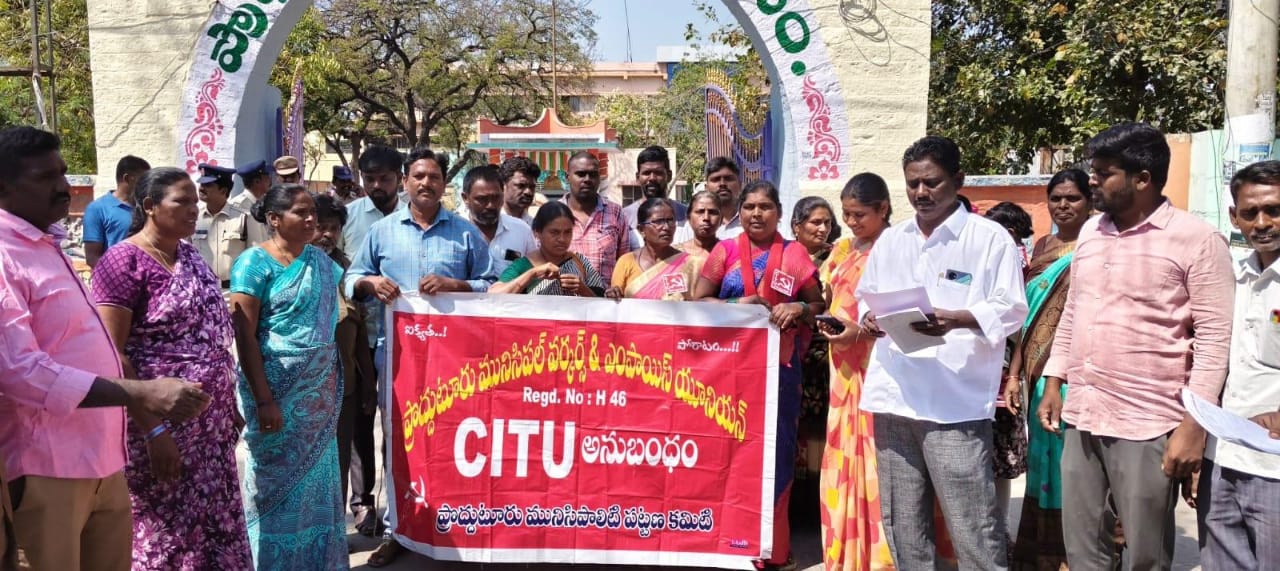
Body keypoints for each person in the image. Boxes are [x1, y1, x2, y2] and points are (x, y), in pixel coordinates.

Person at [0, 126, 211, 571]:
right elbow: (18, 371)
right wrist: (139, 394)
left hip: (102, 460)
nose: (63, 187)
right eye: (45, 177)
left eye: (62, 173)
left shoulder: (46, 243)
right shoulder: (5, 254)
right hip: (47, 468)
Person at [1037, 123, 1233, 571]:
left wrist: (1193, 427)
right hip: (1083, 413)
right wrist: (1055, 380)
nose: (1091, 181)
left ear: (1142, 179)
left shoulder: (1197, 240)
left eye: (1103, 173)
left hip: (1148, 421)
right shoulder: (1091, 234)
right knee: (1084, 549)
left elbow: (1213, 342)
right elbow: (1073, 312)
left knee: (1146, 555)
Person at [856, 136, 1028, 570]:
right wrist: (869, 318)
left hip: (955, 404)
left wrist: (958, 318)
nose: (920, 193)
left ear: (958, 180)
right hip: (894, 396)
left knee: (973, 525)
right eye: (912, 184)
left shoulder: (988, 240)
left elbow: (1012, 311)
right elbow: (867, 296)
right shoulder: (893, 240)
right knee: (903, 525)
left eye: (931, 182)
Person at [91, 167, 254, 569]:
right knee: (167, 535)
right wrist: (155, 430)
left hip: (210, 431)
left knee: (213, 529)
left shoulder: (188, 254)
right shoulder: (122, 263)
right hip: (162, 427)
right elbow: (112, 354)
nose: (193, 210)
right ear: (149, 206)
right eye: (181, 202)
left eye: (195, 203)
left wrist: (225, 406)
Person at [345, 147, 496, 567]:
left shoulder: (464, 233)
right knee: (399, 439)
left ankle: (449, 523)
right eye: (418, 176)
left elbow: (494, 284)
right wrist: (372, 282)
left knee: (453, 437)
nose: (426, 183)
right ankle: (399, 529)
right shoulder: (383, 232)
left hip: (455, 359)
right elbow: (351, 278)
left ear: (444, 184)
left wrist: (458, 285)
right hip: (396, 357)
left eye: (433, 176)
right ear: (406, 181)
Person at [692, 180, 827, 571]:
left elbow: (820, 303)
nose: (756, 213)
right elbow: (699, 302)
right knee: (729, 453)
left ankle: (774, 550)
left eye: (765, 206)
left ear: (779, 213)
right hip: (729, 374)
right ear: (740, 211)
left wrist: (800, 308)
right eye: (749, 206)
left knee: (778, 455)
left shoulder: (796, 253)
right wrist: (739, 303)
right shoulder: (726, 251)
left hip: (781, 373)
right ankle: (728, 543)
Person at [229, 184, 348, 569]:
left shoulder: (322, 263)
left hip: (318, 398)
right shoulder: (253, 264)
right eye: (301, 212)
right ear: (274, 219)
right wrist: (264, 398)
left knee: (319, 484)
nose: (312, 219)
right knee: (273, 489)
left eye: (313, 211)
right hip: (275, 392)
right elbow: (244, 334)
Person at [1004, 168, 1093, 570]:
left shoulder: (1097, 246)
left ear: (1090, 202)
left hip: (1079, 376)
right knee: (1044, 463)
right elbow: (1026, 318)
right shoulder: (1044, 244)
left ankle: (1081, 554)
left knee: (1075, 466)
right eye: (1056, 197)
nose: (1062, 205)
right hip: (1037, 376)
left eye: (1072, 198)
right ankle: (1043, 553)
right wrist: (1013, 375)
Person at [1193, 160, 1280, 569]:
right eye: (1250, 213)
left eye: (1274, 210)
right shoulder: (1235, 275)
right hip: (1223, 457)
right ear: (1234, 216)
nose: (1262, 223)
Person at [340, 145, 408, 535]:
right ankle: (363, 504)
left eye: (384, 178)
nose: (377, 186)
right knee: (361, 424)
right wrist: (366, 283)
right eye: (371, 179)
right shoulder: (350, 217)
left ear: (399, 177)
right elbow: (346, 279)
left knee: (402, 423)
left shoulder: (413, 215)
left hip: (409, 343)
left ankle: (404, 503)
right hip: (359, 341)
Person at [313, 193, 377, 533]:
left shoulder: (350, 271)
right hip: (304, 391)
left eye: (333, 228)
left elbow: (359, 330)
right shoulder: (289, 268)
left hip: (346, 384)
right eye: (320, 226)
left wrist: (368, 382)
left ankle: (334, 535)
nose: (326, 234)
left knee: (340, 461)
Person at [982, 201, 1033, 546]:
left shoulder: (1015, 261)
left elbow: (1018, 327)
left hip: (1003, 376)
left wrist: (1012, 374)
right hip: (993, 372)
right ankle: (995, 533)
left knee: (997, 459)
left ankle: (997, 534)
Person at [790, 196, 838, 484]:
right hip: (790, 351)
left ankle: (821, 490)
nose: (823, 229)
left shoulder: (839, 258)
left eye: (828, 223)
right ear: (797, 226)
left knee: (822, 429)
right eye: (815, 222)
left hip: (826, 356)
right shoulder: (781, 256)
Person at [494, 202, 606, 296]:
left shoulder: (579, 261)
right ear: (537, 232)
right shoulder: (524, 265)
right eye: (554, 232)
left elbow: (601, 303)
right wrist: (532, 273)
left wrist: (582, 289)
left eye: (568, 232)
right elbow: (494, 294)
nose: (562, 239)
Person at [606, 197, 701, 300]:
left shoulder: (688, 263)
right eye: (658, 222)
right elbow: (616, 301)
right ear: (641, 230)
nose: (666, 227)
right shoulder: (626, 262)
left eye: (670, 221)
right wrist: (613, 294)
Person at [563, 151, 632, 282]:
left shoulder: (615, 213)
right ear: (568, 177)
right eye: (581, 174)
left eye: (593, 174)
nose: (587, 179)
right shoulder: (552, 213)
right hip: (562, 299)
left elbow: (624, 262)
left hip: (605, 300)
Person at [458, 164, 536, 275]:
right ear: (465, 198)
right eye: (482, 199)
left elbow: (534, 273)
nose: (490, 205)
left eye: (496, 198)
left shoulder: (522, 230)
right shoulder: (454, 233)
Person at [84, 154, 151, 267]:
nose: (147, 185)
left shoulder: (147, 207)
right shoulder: (97, 209)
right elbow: (92, 257)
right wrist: (121, 277)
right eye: (143, 180)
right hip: (115, 280)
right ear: (127, 179)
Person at [192, 163, 250, 285]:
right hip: (202, 290)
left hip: (233, 290)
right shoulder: (194, 218)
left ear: (223, 190)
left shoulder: (244, 217)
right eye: (201, 184)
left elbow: (256, 256)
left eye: (207, 185)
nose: (201, 188)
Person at [623, 146, 688, 248]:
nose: (652, 178)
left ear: (669, 176)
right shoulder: (624, 217)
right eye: (646, 173)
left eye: (658, 173)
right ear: (637, 177)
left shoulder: (686, 216)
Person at [674, 156, 743, 243]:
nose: (722, 184)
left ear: (740, 185)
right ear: (706, 187)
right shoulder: (692, 226)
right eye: (716, 179)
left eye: (728, 179)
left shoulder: (752, 220)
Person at [228, 160, 273, 246]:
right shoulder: (238, 206)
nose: (270, 180)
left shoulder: (263, 203)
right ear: (257, 182)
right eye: (267, 177)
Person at [676, 190, 723, 259]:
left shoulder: (730, 252)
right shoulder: (675, 253)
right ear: (688, 217)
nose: (706, 218)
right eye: (700, 212)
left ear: (721, 219)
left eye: (712, 212)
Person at [499, 156, 541, 224]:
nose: (528, 192)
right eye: (521, 186)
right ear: (502, 185)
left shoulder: (534, 227)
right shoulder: (489, 225)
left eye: (532, 187)